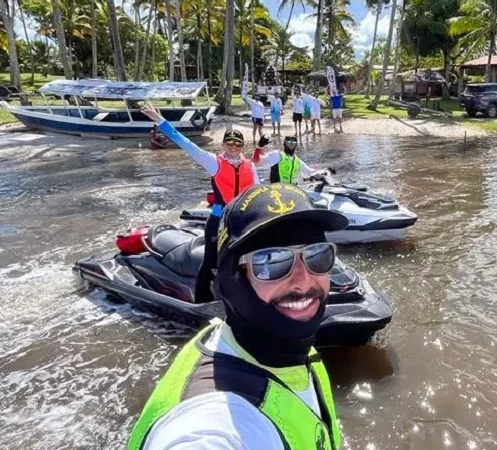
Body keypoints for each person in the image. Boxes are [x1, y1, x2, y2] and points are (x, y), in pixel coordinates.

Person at [128, 184, 348, 450]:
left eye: (317, 255)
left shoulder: (292, 351)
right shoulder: (211, 424)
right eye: (270, 261)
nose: (303, 281)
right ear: (232, 280)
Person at [141, 104, 259, 302]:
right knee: (211, 261)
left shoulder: (250, 166)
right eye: (229, 143)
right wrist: (160, 121)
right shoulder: (213, 162)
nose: (233, 147)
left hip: (242, 221)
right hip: (219, 221)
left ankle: (247, 296)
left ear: (242, 147)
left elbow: (258, 192)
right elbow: (186, 144)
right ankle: (201, 301)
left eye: (237, 144)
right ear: (223, 145)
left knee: (244, 259)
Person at [253, 135, 318, 184]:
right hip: (278, 193)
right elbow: (256, 161)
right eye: (289, 142)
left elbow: (311, 172)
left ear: (296, 145)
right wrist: (260, 146)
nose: (291, 144)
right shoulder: (277, 155)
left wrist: (324, 173)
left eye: (294, 142)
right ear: (284, 144)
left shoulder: (297, 161)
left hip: (293, 193)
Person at [242, 82, 266, 146]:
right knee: (255, 128)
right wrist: (246, 90)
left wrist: (264, 117)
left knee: (260, 130)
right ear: (255, 96)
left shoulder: (261, 103)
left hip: (261, 117)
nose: (257, 97)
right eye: (256, 96)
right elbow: (245, 97)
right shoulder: (252, 102)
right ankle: (254, 139)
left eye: (258, 96)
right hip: (255, 117)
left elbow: (263, 111)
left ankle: (261, 140)